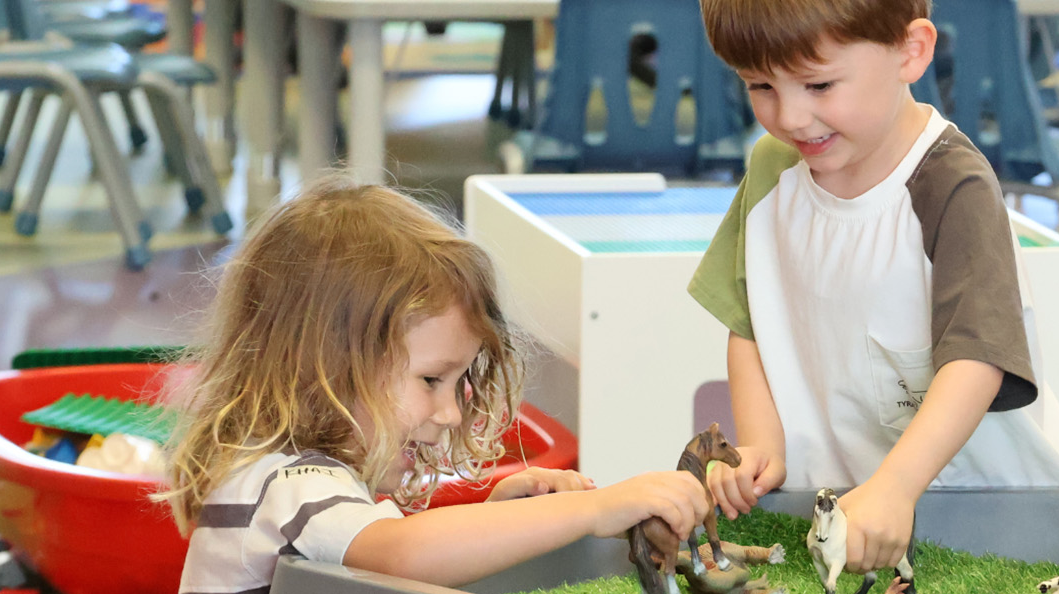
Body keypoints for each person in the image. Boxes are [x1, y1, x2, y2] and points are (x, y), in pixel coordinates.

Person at [690, 0, 1059, 576]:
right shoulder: (773, 168)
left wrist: (897, 486)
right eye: (760, 86)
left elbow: (979, 358)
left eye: (819, 84)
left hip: (999, 514)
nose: (793, 117)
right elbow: (750, 322)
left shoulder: (952, 185)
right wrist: (764, 447)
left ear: (912, 51)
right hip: (840, 518)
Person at [157, 178, 712, 592]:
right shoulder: (291, 483)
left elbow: (377, 567)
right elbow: (399, 555)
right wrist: (597, 510)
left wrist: (499, 516)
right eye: (430, 379)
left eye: (458, 382)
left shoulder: (286, 474)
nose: (449, 413)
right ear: (325, 365)